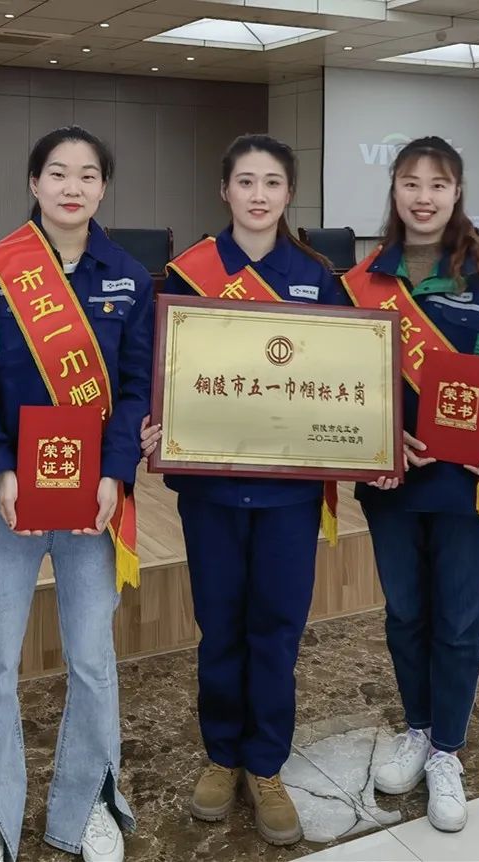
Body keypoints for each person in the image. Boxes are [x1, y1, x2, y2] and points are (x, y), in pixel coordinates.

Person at [0, 126, 153, 862]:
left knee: (92, 658)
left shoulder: (129, 276)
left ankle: (89, 803)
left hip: (93, 505)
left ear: (103, 188)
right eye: (58, 172)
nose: (72, 186)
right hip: (4, 500)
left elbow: (136, 390)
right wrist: (1, 468)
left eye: (88, 174)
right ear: (34, 182)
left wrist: (114, 473)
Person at [341, 136, 479, 833]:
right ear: (394, 191)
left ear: (457, 194)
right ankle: (416, 727)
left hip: (469, 488)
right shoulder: (362, 283)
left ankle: (446, 750)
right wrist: (373, 441)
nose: (424, 197)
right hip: (393, 486)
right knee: (406, 615)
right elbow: (338, 384)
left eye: (438, 184)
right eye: (411, 183)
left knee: (460, 623)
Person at [142, 134, 346, 846]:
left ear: (289, 194)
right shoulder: (187, 275)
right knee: (221, 626)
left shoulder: (317, 276)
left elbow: (344, 375)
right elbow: (160, 370)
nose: (259, 195)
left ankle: (266, 765)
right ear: (224, 190)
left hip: (289, 497)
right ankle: (222, 754)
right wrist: (155, 425)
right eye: (246, 181)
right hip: (213, 493)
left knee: (277, 630)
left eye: (273, 183)